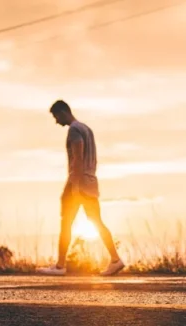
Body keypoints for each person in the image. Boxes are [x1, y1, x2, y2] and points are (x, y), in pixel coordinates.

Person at [37, 100, 125, 276]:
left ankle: (60, 266)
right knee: (96, 221)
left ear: (63, 112)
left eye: (56, 116)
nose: (56, 121)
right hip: (91, 182)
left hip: (78, 183)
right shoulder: (87, 129)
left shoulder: (74, 130)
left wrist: (74, 187)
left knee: (66, 223)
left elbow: (78, 158)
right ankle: (116, 260)